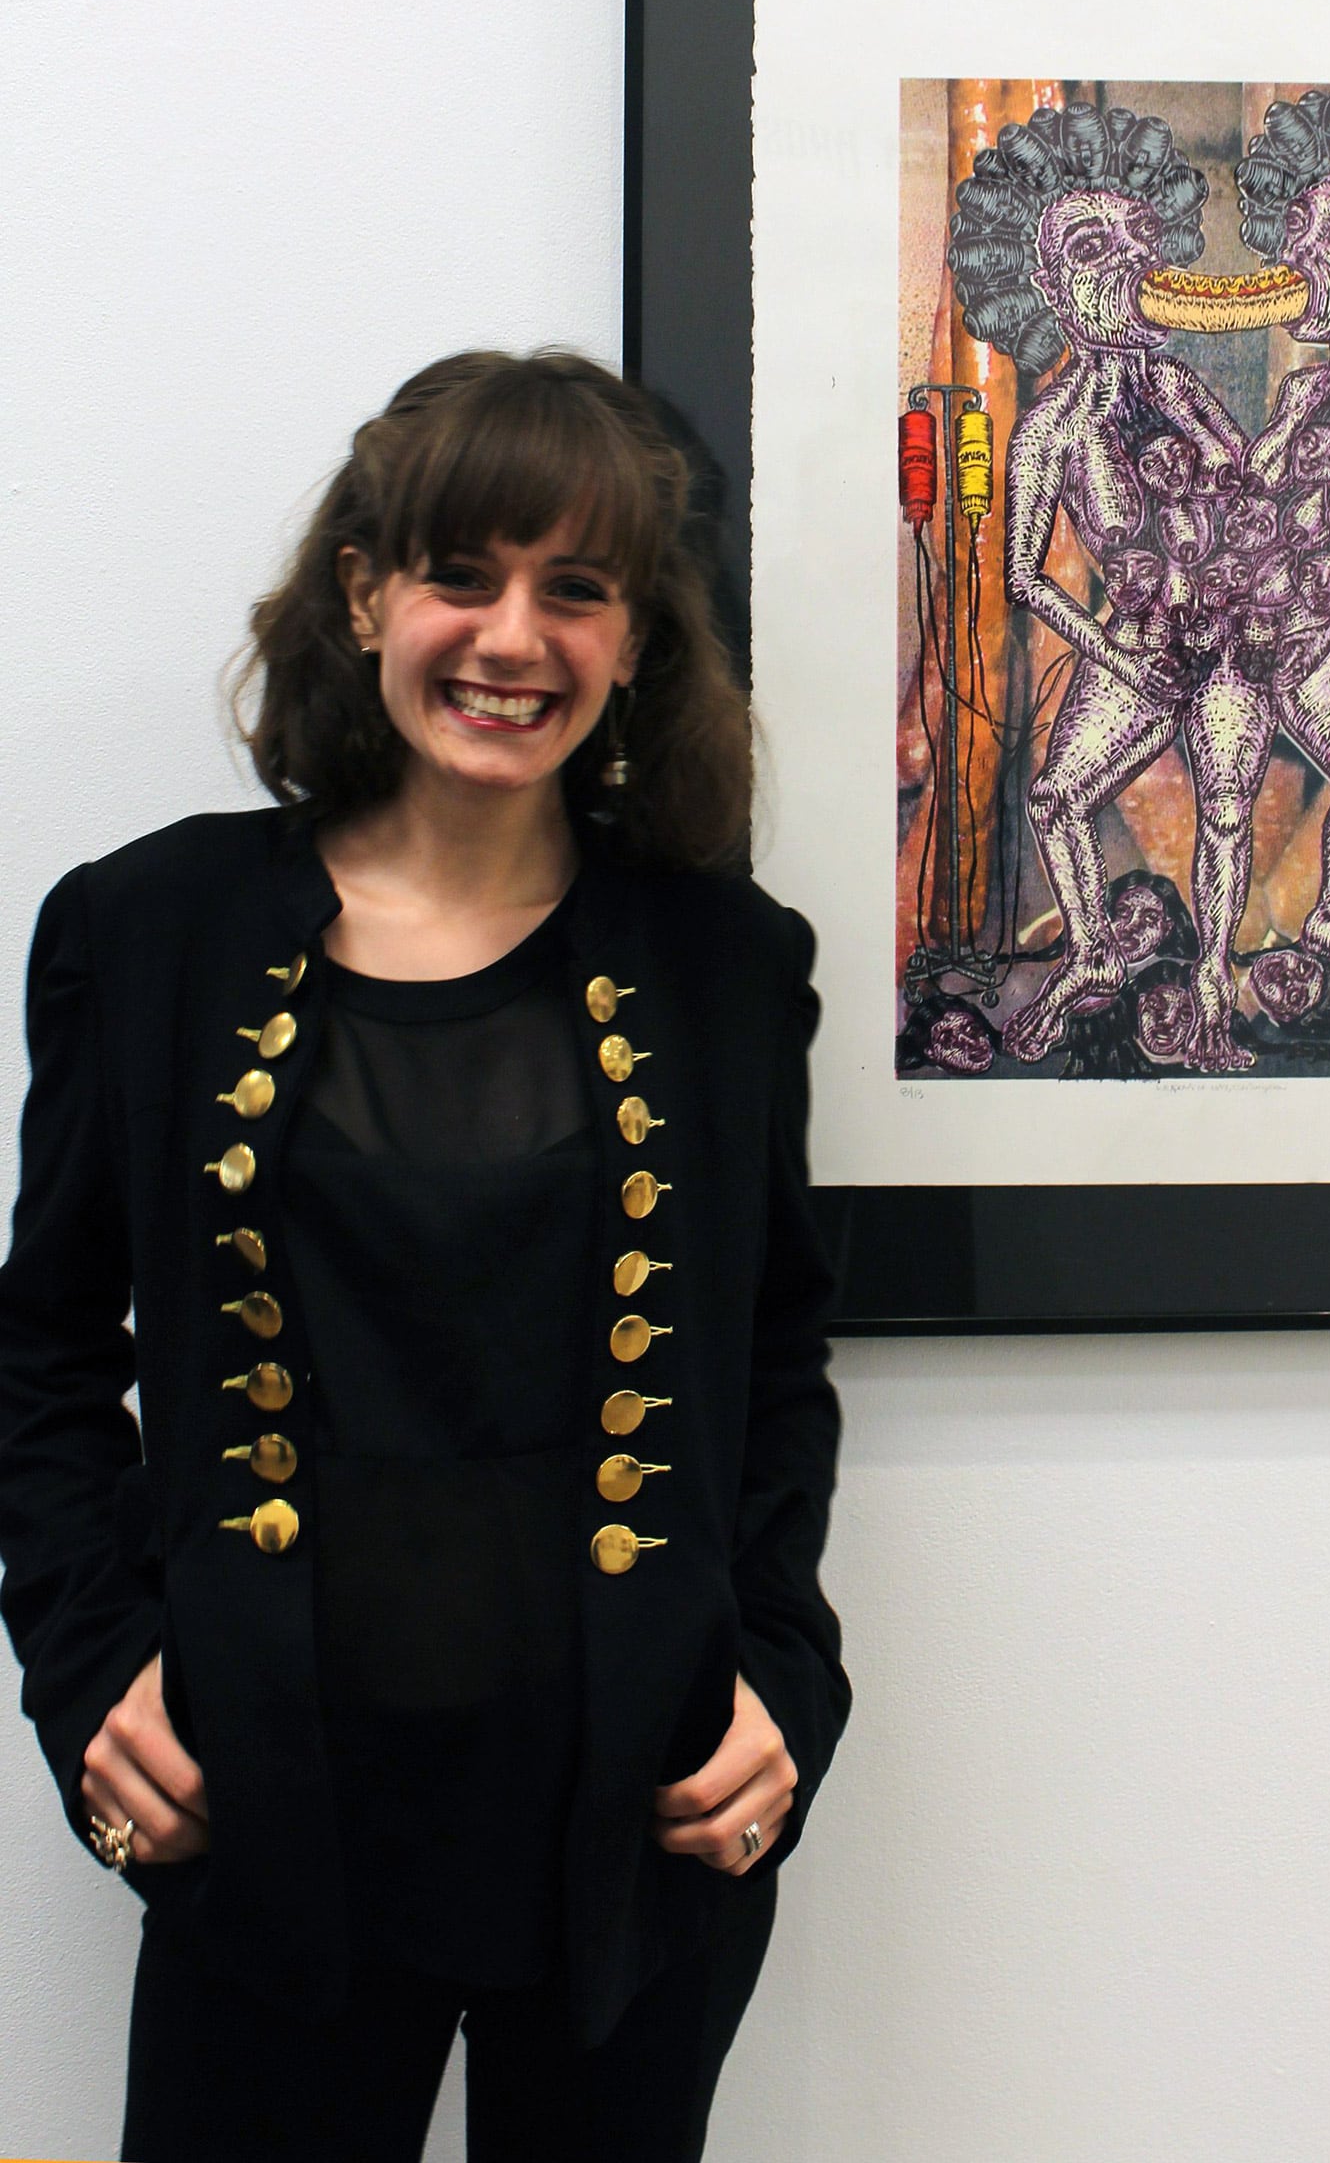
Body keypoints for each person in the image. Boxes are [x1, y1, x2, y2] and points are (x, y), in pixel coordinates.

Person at [0, 348, 848, 2163]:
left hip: (639, 1830)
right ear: (366, 592)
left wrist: (786, 1675)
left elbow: (776, 1361)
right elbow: (43, 1351)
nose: (512, 638)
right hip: (258, 1818)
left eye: (577, 589)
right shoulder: (146, 930)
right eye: (463, 573)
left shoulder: (724, 966)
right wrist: (84, 1666)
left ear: (635, 641)